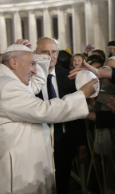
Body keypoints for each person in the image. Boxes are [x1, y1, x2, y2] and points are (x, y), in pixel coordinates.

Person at [0, 43, 97, 194]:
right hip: (15, 178)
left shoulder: (1, 78)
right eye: (31, 64)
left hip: (16, 169)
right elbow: (45, 110)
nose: (35, 70)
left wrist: (37, 56)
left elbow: (34, 85)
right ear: (14, 62)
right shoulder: (6, 85)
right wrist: (82, 94)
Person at [34, 37, 89, 194]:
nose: (51, 56)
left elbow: (77, 112)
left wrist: (82, 143)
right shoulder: (28, 79)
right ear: (36, 53)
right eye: (45, 52)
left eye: (54, 52)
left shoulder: (70, 76)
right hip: (39, 143)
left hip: (65, 141)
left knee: (63, 185)